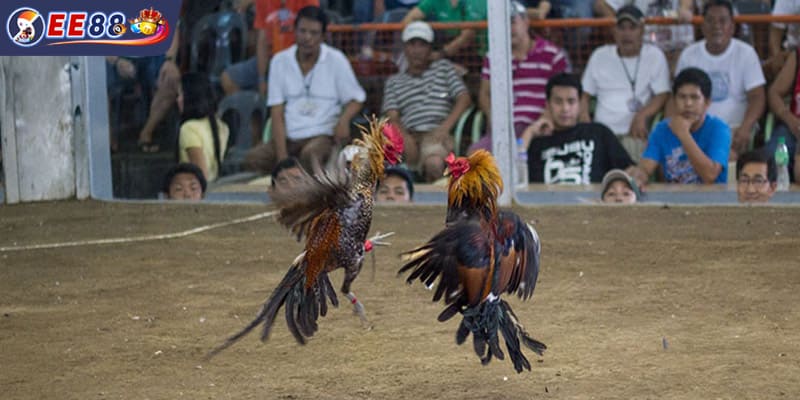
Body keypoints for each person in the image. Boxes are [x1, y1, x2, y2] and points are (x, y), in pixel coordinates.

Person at [243, 6, 366, 175]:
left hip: (322, 136)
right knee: (253, 159)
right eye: (302, 31)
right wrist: (282, 158)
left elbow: (357, 99)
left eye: (314, 33)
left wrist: (343, 120)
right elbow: (277, 112)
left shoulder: (336, 60)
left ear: (323, 36)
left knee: (311, 156)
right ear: (294, 31)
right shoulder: (280, 61)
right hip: (290, 137)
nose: (307, 38)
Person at [469, 0, 570, 154]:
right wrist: (494, 119)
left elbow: (561, 94)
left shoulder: (552, 54)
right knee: (475, 157)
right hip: (503, 130)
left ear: (526, 22)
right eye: (504, 23)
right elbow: (484, 94)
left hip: (540, 127)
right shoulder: (493, 56)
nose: (509, 28)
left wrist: (538, 125)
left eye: (512, 22)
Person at [674, 0, 765, 159]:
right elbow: (674, 98)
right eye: (710, 21)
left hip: (735, 130)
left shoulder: (746, 53)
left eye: (722, 21)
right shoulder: (689, 55)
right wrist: (677, 128)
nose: (716, 26)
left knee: (726, 156)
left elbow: (757, 97)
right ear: (702, 26)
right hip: (695, 129)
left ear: (732, 26)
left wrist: (746, 127)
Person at [382, 21, 472, 182]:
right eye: (412, 44)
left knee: (434, 163)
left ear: (430, 48)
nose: (416, 50)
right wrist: (405, 139)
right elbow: (392, 116)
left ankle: (436, 207)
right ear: (405, 48)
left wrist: (444, 128)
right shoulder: (394, 81)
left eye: (422, 45)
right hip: (408, 134)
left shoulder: (443, 68)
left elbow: (464, 98)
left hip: (437, 133)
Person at [580, 5, 670, 162]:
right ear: (614, 31)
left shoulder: (654, 56)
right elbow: (584, 95)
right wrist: (586, 122)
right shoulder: (599, 55)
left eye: (632, 28)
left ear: (642, 30)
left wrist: (642, 115)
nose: (626, 34)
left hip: (634, 133)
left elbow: (662, 94)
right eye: (621, 28)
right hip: (602, 132)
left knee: (631, 173)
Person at [523, 73, 635, 184]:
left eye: (571, 101)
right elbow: (514, 173)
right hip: (545, 201)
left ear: (580, 104)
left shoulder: (599, 133)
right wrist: (530, 132)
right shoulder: (537, 142)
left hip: (592, 201)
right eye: (558, 102)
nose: (565, 108)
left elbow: (629, 171)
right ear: (547, 105)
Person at [629, 68, 731, 185]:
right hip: (673, 198)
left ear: (707, 103)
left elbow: (710, 175)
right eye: (682, 97)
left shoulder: (719, 129)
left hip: (712, 199)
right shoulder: (662, 129)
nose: (688, 103)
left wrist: (683, 134)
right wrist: (638, 175)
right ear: (674, 101)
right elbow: (646, 168)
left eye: (694, 97)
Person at [220, 0, 320, 96]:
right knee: (228, 78)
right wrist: (261, 78)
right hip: (271, 59)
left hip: (299, 60)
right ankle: (256, 110)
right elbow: (262, 41)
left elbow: (313, 38)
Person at [106, 29, 180, 153]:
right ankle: (108, 141)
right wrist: (117, 61)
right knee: (97, 83)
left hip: (152, 52)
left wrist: (169, 60)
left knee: (171, 78)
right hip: (115, 53)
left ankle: (146, 133)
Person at [178, 73, 231, 182]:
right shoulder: (222, 126)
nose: (178, 99)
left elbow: (201, 175)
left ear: (192, 96)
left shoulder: (189, 129)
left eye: (181, 94)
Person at [765, 46, 800, 182]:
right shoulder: (797, 55)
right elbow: (774, 93)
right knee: (770, 158)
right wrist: (789, 118)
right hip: (794, 128)